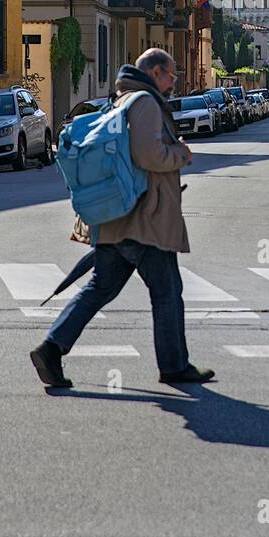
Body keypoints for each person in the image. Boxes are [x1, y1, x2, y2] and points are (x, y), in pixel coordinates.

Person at [30, 49, 216, 389]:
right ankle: (174, 366)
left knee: (100, 287)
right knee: (167, 290)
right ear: (157, 72)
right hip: (143, 219)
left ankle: (51, 348)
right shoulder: (145, 102)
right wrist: (181, 154)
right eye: (172, 76)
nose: (174, 82)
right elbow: (148, 155)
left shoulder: (121, 100)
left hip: (116, 218)